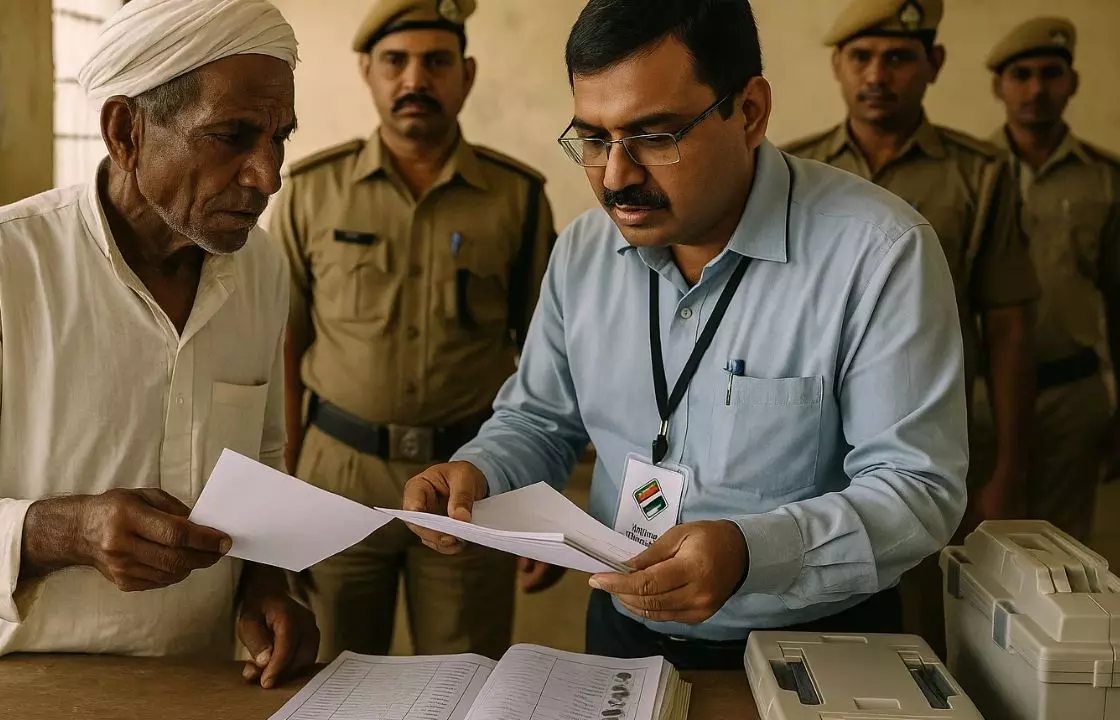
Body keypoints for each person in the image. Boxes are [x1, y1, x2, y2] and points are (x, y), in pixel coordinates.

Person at [400, 0, 969, 671]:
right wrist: (481, 471)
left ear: (750, 112)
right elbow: (540, 419)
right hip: (623, 632)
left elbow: (916, 488)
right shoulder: (585, 251)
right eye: (593, 139)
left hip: (817, 648)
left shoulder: (876, 253)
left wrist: (751, 553)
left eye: (654, 136)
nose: (616, 178)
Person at [0, 2, 317, 716]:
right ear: (126, 132)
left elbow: (256, 460)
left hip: (188, 686)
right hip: (6, 688)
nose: (268, 175)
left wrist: (262, 585)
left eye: (278, 138)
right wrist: (60, 530)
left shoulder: (259, 272)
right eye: (233, 137)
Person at [269, 0, 558, 661]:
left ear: (467, 74)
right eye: (395, 62)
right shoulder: (312, 191)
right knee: (330, 672)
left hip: (467, 480)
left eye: (436, 62)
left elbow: (548, 361)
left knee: (466, 674)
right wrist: (283, 482)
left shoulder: (515, 197)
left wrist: (536, 506)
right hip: (337, 475)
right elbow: (283, 341)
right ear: (368, 72)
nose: (414, 80)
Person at [781, 0, 1040, 654]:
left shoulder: (979, 174)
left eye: (898, 57)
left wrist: (1007, 466)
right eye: (861, 57)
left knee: (922, 618)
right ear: (837, 68)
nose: (877, 74)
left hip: (925, 441)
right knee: (802, 614)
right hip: (808, 440)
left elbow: (1007, 327)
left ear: (934, 65)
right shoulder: (789, 174)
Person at [986, 17, 1120, 540]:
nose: (1036, 89)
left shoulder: (1106, 177)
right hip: (983, 397)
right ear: (998, 86)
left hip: (1072, 394)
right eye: (1020, 74)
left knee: (1063, 555)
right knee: (973, 552)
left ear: (1073, 83)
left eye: (1051, 73)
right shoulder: (973, 172)